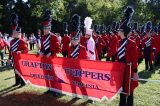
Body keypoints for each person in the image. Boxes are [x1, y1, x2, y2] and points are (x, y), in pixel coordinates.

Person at [117, 6, 138, 106]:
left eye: (119, 30)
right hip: (121, 69)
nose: (118, 31)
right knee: (121, 88)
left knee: (129, 90)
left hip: (129, 69)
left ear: (123, 32)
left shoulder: (132, 43)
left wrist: (135, 73)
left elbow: (134, 59)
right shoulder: (119, 42)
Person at [8, 13, 28, 86]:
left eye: (14, 32)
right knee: (15, 70)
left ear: (18, 33)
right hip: (14, 58)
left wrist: (21, 51)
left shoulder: (21, 41)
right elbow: (11, 50)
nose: (13, 33)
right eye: (13, 32)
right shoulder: (11, 41)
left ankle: (23, 82)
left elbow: (26, 50)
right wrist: (9, 58)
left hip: (20, 58)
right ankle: (17, 82)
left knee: (21, 70)